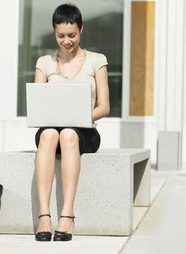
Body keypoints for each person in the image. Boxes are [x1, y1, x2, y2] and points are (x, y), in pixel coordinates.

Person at [34, 3, 110, 241]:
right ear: (54, 32)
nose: (67, 40)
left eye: (72, 35)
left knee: (68, 133)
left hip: (84, 131)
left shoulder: (97, 60)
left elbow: (104, 107)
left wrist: (79, 118)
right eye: (61, 36)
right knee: (49, 134)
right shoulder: (45, 63)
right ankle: (44, 216)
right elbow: (38, 105)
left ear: (81, 29)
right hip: (50, 130)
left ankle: (67, 215)